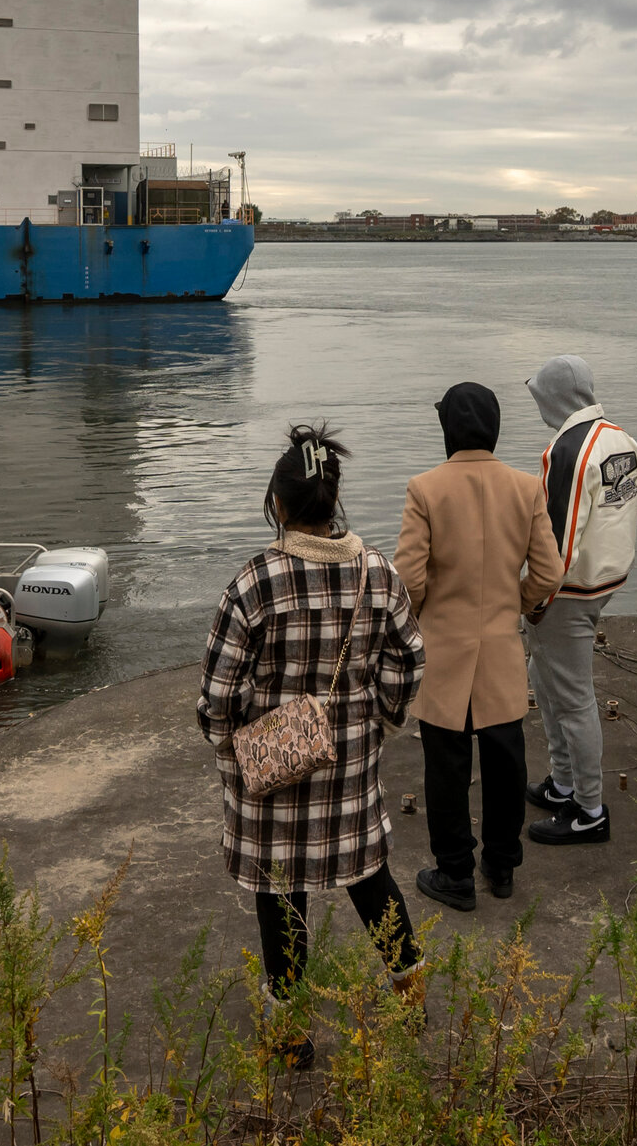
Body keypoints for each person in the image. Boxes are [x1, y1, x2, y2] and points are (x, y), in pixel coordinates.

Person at [198, 424, 426, 1063]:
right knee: (368, 875)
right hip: (350, 764)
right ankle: (410, 993)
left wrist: (234, 751)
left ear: (279, 502)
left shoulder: (254, 583)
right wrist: (378, 719)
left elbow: (218, 695)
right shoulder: (378, 574)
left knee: (281, 894)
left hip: (271, 772)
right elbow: (409, 661)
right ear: (333, 499)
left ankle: (291, 1034)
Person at [394, 383, 562, 910]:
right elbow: (549, 571)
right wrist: (518, 604)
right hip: (500, 646)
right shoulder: (526, 487)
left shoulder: (425, 488)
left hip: (445, 647)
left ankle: (455, 875)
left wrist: (425, 617)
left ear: (448, 428)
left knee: (446, 767)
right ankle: (502, 865)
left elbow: (409, 579)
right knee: (507, 760)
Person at [522, 356, 637, 846]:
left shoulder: (566, 450)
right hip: (605, 581)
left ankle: (589, 807)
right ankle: (563, 781)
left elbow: (558, 540)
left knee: (571, 699)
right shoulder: (621, 438)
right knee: (545, 679)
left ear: (553, 398)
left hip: (567, 592)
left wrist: (533, 598)